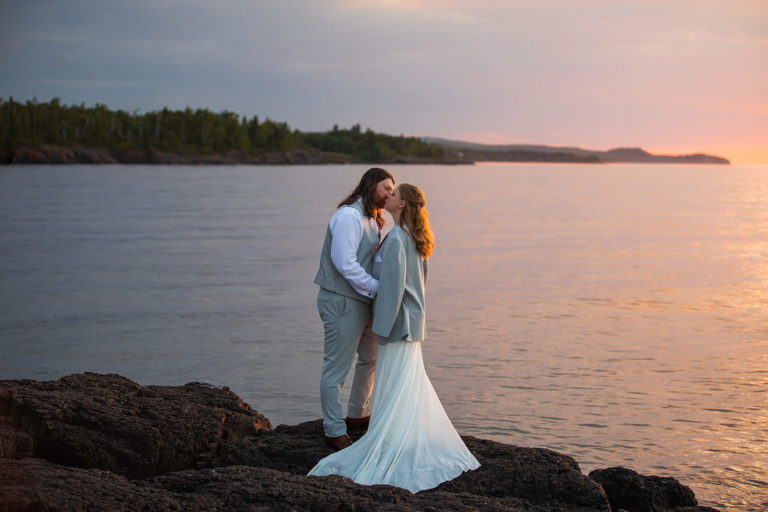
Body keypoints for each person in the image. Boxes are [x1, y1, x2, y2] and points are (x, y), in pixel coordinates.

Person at [308, 183, 480, 493]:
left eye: (394, 194)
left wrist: (379, 327)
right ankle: (401, 432)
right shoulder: (410, 237)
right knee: (405, 383)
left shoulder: (399, 240)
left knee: (397, 382)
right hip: (409, 324)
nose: (389, 196)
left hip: (397, 325)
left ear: (402, 205)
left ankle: (393, 437)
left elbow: (392, 290)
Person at [314, 167, 395, 451]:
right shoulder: (348, 216)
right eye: (386, 188)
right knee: (336, 367)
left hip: (363, 301)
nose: (390, 194)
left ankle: (358, 415)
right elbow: (344, 262)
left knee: (369, 359)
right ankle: (333, 429)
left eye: (392, 190)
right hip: (341, 299)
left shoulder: (372, 219)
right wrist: (378, 288)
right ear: (371, 185)